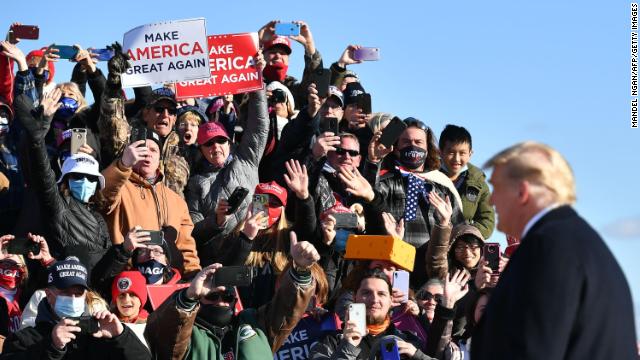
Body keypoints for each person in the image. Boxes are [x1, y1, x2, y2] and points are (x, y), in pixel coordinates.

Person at [474, 141, 638, 359]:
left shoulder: (547, 248)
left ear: (522, 192)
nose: (491, 200)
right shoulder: (580, 243)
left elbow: (533, 350)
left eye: (496, 187)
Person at [144, 231, 320, 360]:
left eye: (227, 297)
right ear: (199, 300)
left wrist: (300, 270)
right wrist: (189, 295)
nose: (221, 301)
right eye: (212, 297)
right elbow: (161, 336)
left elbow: (287, 309)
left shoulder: (256, 323)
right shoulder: (187, 335)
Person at [14, 89, 112, 271]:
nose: (84, 180)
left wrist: (124, 251)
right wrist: (40, 129)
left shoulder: (98, 218)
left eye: (90, 177)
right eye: (78, 175)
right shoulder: (55, 201)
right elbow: (40, 166)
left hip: (90, 291)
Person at [0, 256, 150, 359]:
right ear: (49, 294)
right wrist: (52, 346)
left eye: (78, 294)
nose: (72, 299)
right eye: (65, 292)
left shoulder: (99, 336)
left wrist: (121, 337)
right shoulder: (23, 340)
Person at [185, 79, 268, 262]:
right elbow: (192, 232)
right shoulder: (195, 184)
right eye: (208, 143)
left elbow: (259, 127)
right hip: (223, 260)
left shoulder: (246, 160)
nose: (215, 147)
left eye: (220, 141)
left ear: (229, 143)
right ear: (201, 150)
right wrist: (217, 220)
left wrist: (257, 85)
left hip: (258, 253)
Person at [100, 133, 201, 277]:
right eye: (142, 149)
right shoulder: (120, 187)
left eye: (153, 150)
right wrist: (123, 164)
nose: (147, 153)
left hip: (167, 282)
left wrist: (193, 276)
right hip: (128, 279)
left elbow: (187, 247)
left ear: (159, 159)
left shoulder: (176, 200)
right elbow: (102, 195)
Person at [310, 268, 435, 359]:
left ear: (391, 300)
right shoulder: (331, 342)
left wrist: (417, 356)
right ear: (354, 298)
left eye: (381, 294)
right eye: (366, 293)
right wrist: (347, 347)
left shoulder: (408, 341)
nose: (374, 300)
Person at [438, 124, 494, 239]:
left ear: (470, 154)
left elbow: (487, 220)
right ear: (440, 152)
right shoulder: (427, 176)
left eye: (462, 153)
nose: (456, 159)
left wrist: (467, 234)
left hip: (463, 249)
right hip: (431, 245)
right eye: (451, 152)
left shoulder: (478, 182)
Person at [110, 271, 149, 348]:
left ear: (141, 300)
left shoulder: (151, 325)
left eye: (132, 295)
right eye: (121, 295)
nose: (126, 300)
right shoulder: (108, 323)